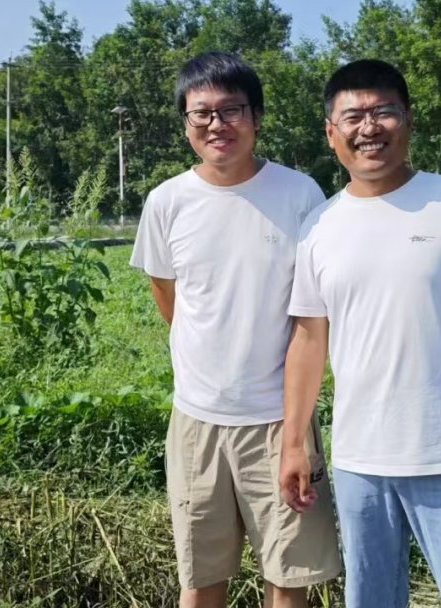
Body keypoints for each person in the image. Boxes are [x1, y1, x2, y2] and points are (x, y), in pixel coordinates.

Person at [279, 59, 441, 608]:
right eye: (353, 117)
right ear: (331, 133)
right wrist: (293, 444)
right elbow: (307, 340)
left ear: (408, 120)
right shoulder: (319, 226)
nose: (368, 128)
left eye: (384, 112)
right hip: (359, 462)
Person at [130, 51, 341, 608]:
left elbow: (314, 314)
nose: (216, 124)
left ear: (257, 117)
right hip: (197, 421)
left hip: (279, 421)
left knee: (289, 578)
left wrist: (295, 432)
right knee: (200, 580)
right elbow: (168, 295)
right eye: (201, 113)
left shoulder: (300, 195)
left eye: (231, 110)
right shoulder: (167, 202)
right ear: (185, 123)